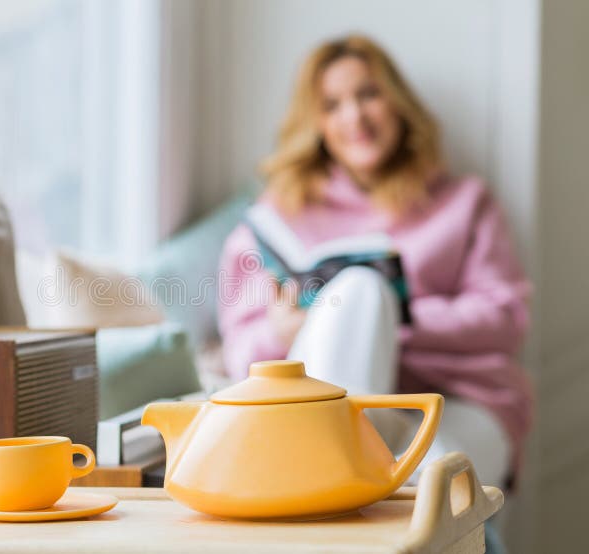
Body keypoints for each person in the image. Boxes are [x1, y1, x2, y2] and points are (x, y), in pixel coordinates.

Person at [217, 34, 532, 488]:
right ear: (316, 124)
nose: (355, 116)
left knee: (422, 484)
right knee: (358, 295)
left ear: (397, 102)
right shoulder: (275, 219)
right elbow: (238, 353)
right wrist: (284, 330)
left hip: (456, 401)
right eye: (332, 105)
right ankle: (345, 461)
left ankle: (338, 470)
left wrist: (388, 315)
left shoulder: (465, 202)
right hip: (332, 401)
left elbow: (506, 318)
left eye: (368, 94)